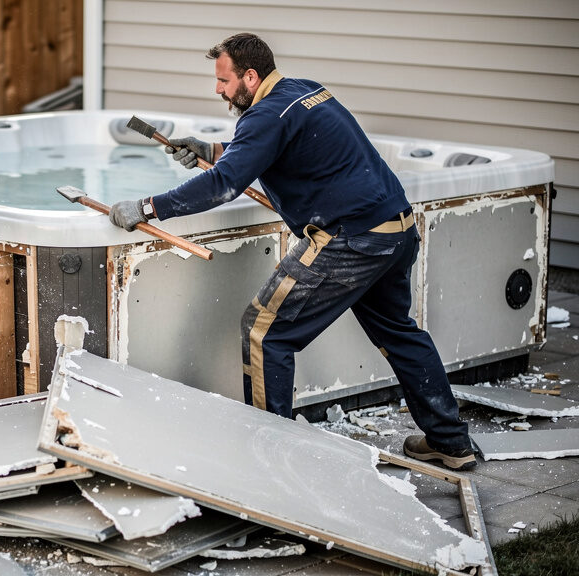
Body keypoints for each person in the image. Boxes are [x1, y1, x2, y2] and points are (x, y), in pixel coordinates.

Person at [108, 33, 475, 471]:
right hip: (395, 227)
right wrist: (215, 150)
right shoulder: (305, 90)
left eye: (224, 81)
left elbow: (224, 185)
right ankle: (451, 442)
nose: (218, 90)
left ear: (250, 76)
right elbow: (269, 147)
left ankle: (269, 462)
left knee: (264, 331)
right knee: (398, 332)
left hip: (352, 240)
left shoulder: (264, 116)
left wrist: (147, 207)